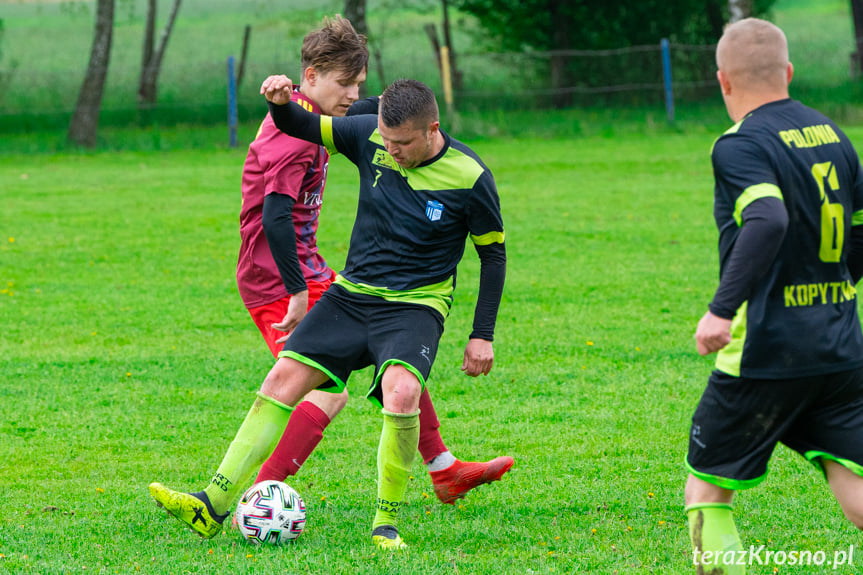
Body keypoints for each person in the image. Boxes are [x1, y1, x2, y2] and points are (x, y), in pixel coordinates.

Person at [149, 69, 509, 550]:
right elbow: (300, 124)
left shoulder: (470, 176)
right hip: (352, 295)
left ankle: (386, 525)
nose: (392, 151)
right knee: (281, 379)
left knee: (402, 393)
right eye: (386, 139)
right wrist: (279, 103)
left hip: (414, 305)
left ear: (433, 130)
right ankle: (211, 503)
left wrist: (481, 333)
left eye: (402, 143)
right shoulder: (369, 135)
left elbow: (493, 255)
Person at [230, 15, 511, 510]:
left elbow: (364, 113)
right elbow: (275, 216)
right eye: (346, 84)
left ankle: (441, 467)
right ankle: (258, 493)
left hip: (312, 269)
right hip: (277, 276)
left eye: (359, 83)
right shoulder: (296, 132)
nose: (354, 94)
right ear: (311, 76)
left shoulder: (333, 116)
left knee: (396, 363)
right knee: (320, 388)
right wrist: (295, 289)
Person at [686, 18, 863, 575]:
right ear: (788, 72)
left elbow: (767, 217)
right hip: (840, 345)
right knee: (851, 481)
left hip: (765, 349)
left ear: (723, 82)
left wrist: (720, 310)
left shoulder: (740, 145)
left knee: (706, 492)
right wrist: (839, 286)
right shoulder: (834, 134)